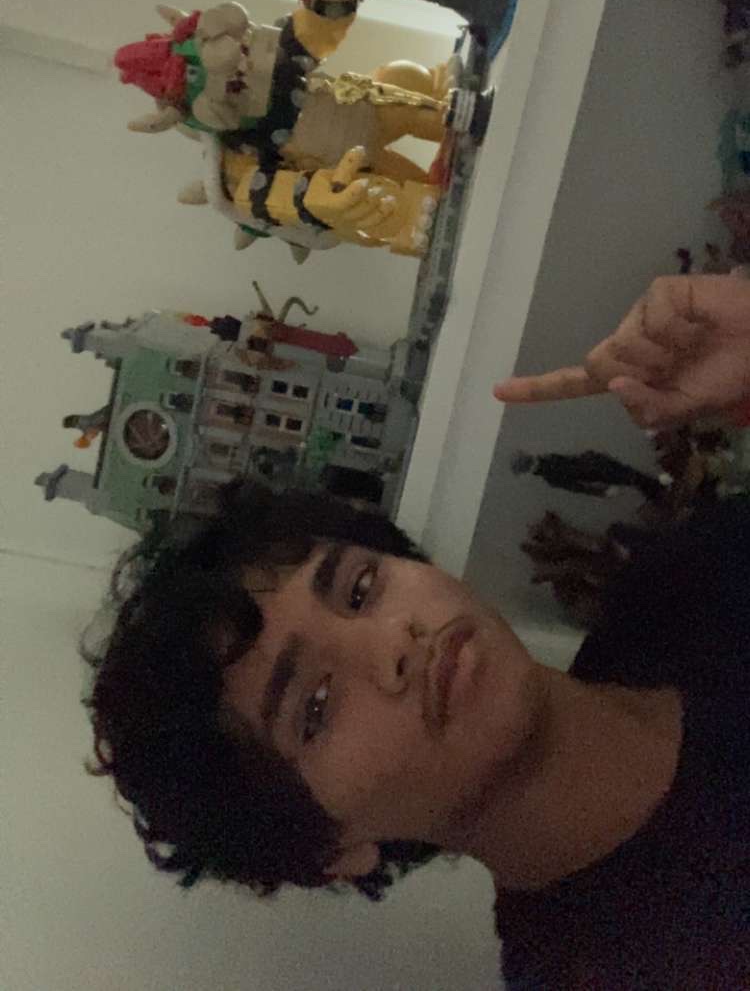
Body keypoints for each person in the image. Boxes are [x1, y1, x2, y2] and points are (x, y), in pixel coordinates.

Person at [83, 274, 750, 988]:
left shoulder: (688, 582)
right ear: (335, 850)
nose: (392, 645)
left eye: (359, 588)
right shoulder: (612, 972)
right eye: (315, 707)